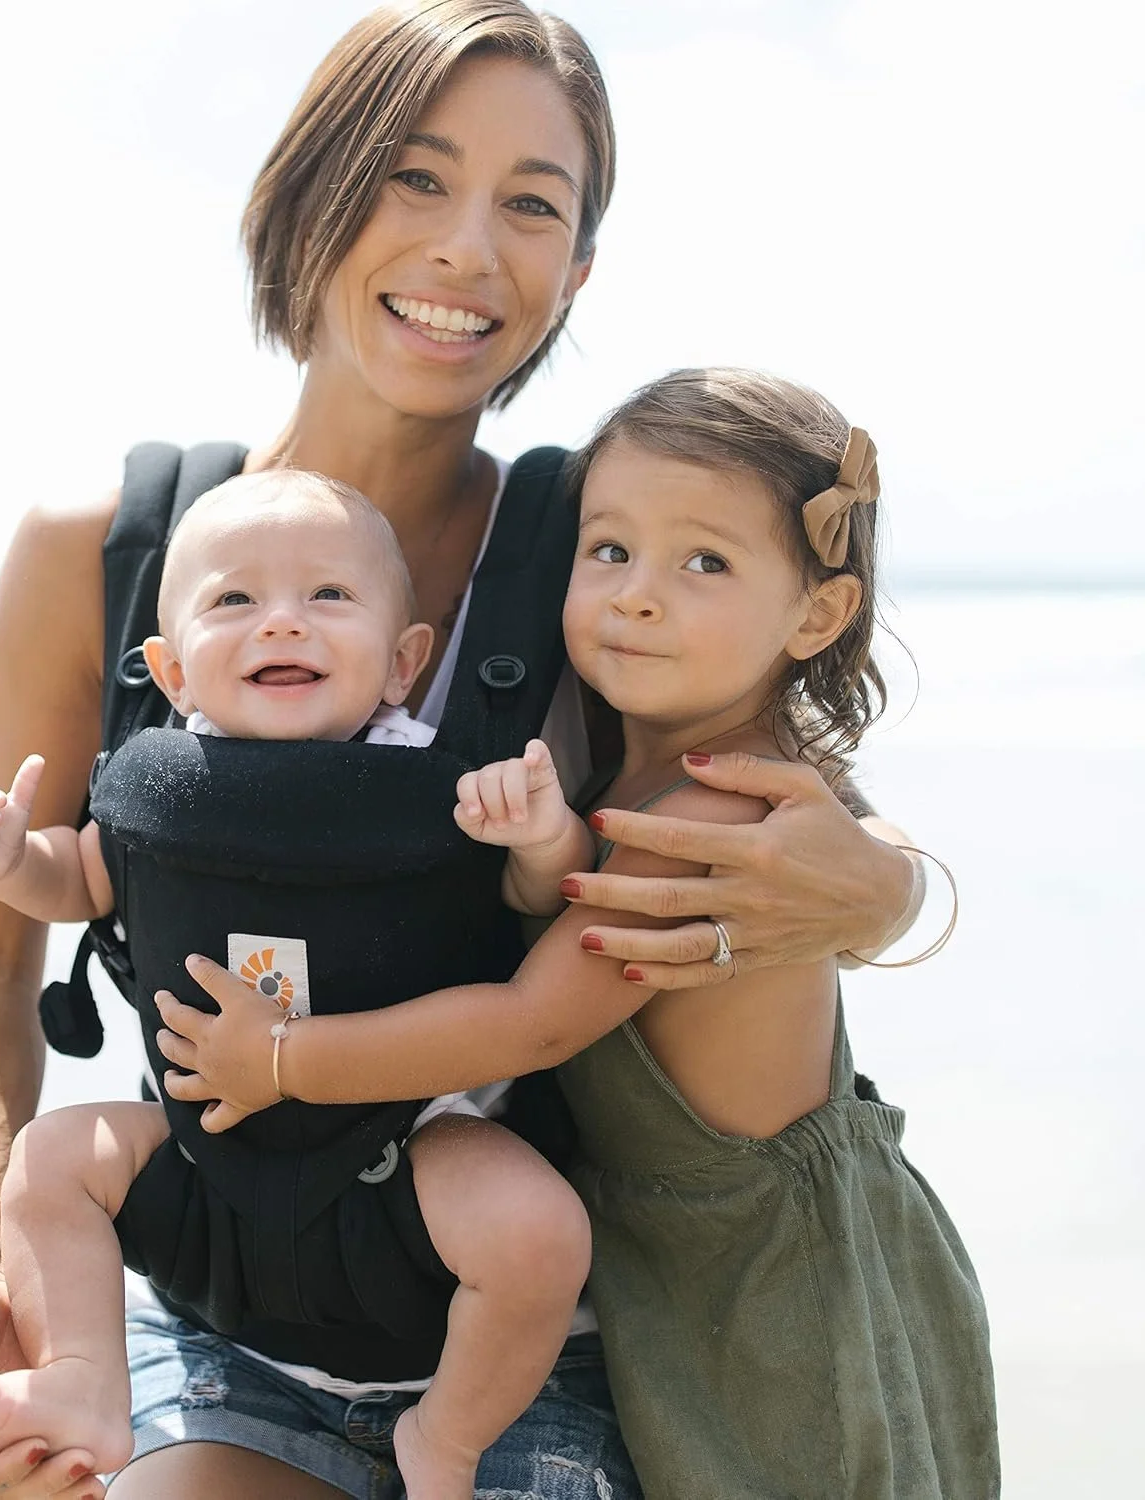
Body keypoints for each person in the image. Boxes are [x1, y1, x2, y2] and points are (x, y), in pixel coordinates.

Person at [0, 6, 924, 1497]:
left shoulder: (599, 553)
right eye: (414, 179)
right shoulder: (101, 555)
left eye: (533, 206)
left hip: (549, 1336)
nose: (465, 252)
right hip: (229, 1311)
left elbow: (784, 794)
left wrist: (891, 898)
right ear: (307, 190)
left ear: (579, 270)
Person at [157, 368, 1000, 1499]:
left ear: (819, 613)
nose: (638, 596)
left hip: (771, 1289)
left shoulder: (711, 814)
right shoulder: (626, 761)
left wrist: (280, 1060)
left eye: (705, 563)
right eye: (610, 551)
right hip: (667, 1258)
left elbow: (533, 1023)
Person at [0, 468, 597, 1499]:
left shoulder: (437, 780)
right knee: (48, 1161)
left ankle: (448, 1436)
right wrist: (10, 858)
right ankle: (80, 1379)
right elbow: (84, 880)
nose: (282, 622)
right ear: (172, 670)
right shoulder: (161, 783)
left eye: (329, 597)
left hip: (411, 1146)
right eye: (234, 601)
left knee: (541, 1232)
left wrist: (544, 836)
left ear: (403, 660)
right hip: (206, 1155)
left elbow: (532, 898)